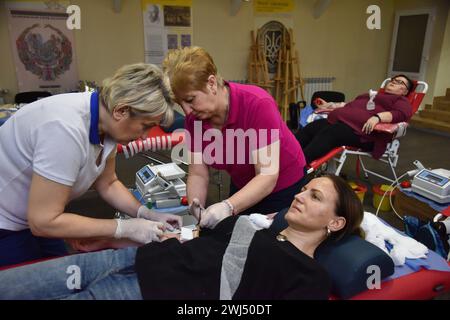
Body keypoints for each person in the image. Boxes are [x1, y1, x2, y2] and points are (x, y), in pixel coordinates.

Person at [0, 175, 364, 300]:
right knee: (10, 284)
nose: (299, 196)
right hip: (129, 259)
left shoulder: (311, 275)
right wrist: (117, 240)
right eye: (304, 189)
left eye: (314, 197)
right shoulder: (257, 226)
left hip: (148, 293)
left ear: (334, 223)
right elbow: (195, 239)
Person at [0, 63, 182, 267]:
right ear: (121, 110)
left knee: (64, 270)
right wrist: (125, 228)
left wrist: (145, 214)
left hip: (38, 216)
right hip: (6, 224)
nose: (146, 135)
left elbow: (108, 183)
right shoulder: (64, 130)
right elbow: (44, 221)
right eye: (145, 126)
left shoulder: (107, 123)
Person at [162, 46, 307, 229]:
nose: (186, 111)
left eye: (190, 100)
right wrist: (196, 208)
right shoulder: (195, 120)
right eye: (180, 103)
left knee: (268, 245)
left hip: (282, 187)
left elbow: (267, 176)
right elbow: (198, 173)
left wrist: (228, 205)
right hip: (244, 182)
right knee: (233, 236)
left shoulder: (257, 104)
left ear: (212, 83)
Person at [295, 74, 414, 163]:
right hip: (343, 124)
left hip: (365, 135)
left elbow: (402, 114)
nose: (393, 82)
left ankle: (299, 164)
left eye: (399, 82)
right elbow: (350, 105)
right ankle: (287, 156)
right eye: (393, 80)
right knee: (313, 126)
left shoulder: (401, 100)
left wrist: (377, 117)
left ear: (405, 91)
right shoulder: (372, 95)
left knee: (332, 132)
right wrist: (330, 105)